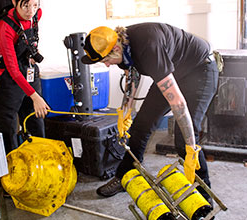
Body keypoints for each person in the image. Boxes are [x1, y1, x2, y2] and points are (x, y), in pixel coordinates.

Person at [81, 23, 219, 200]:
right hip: (174, 72)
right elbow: (132, 75)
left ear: (115, 48)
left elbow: (177, 102)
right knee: (141, 125)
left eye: (106, 60)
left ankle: (204, 196)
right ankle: (125, 176)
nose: (107, 65)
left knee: (183, 141)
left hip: (200, 71)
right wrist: (125, 114)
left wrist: (191, 146)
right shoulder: (122, 43)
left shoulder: (148, 48)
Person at [0, 0, 50, 154]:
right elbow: (13, 70)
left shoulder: (36, 15)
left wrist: (32, 53)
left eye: (35, 5)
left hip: (27, 69)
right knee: (8, 130)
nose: (31, 11)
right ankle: (12, 171)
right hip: (6, 78)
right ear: (14, 2)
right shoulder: (5, 26)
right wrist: (35, 97)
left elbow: (29, 36)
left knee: (36, 121)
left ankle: (40, 163)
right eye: (25, 6)